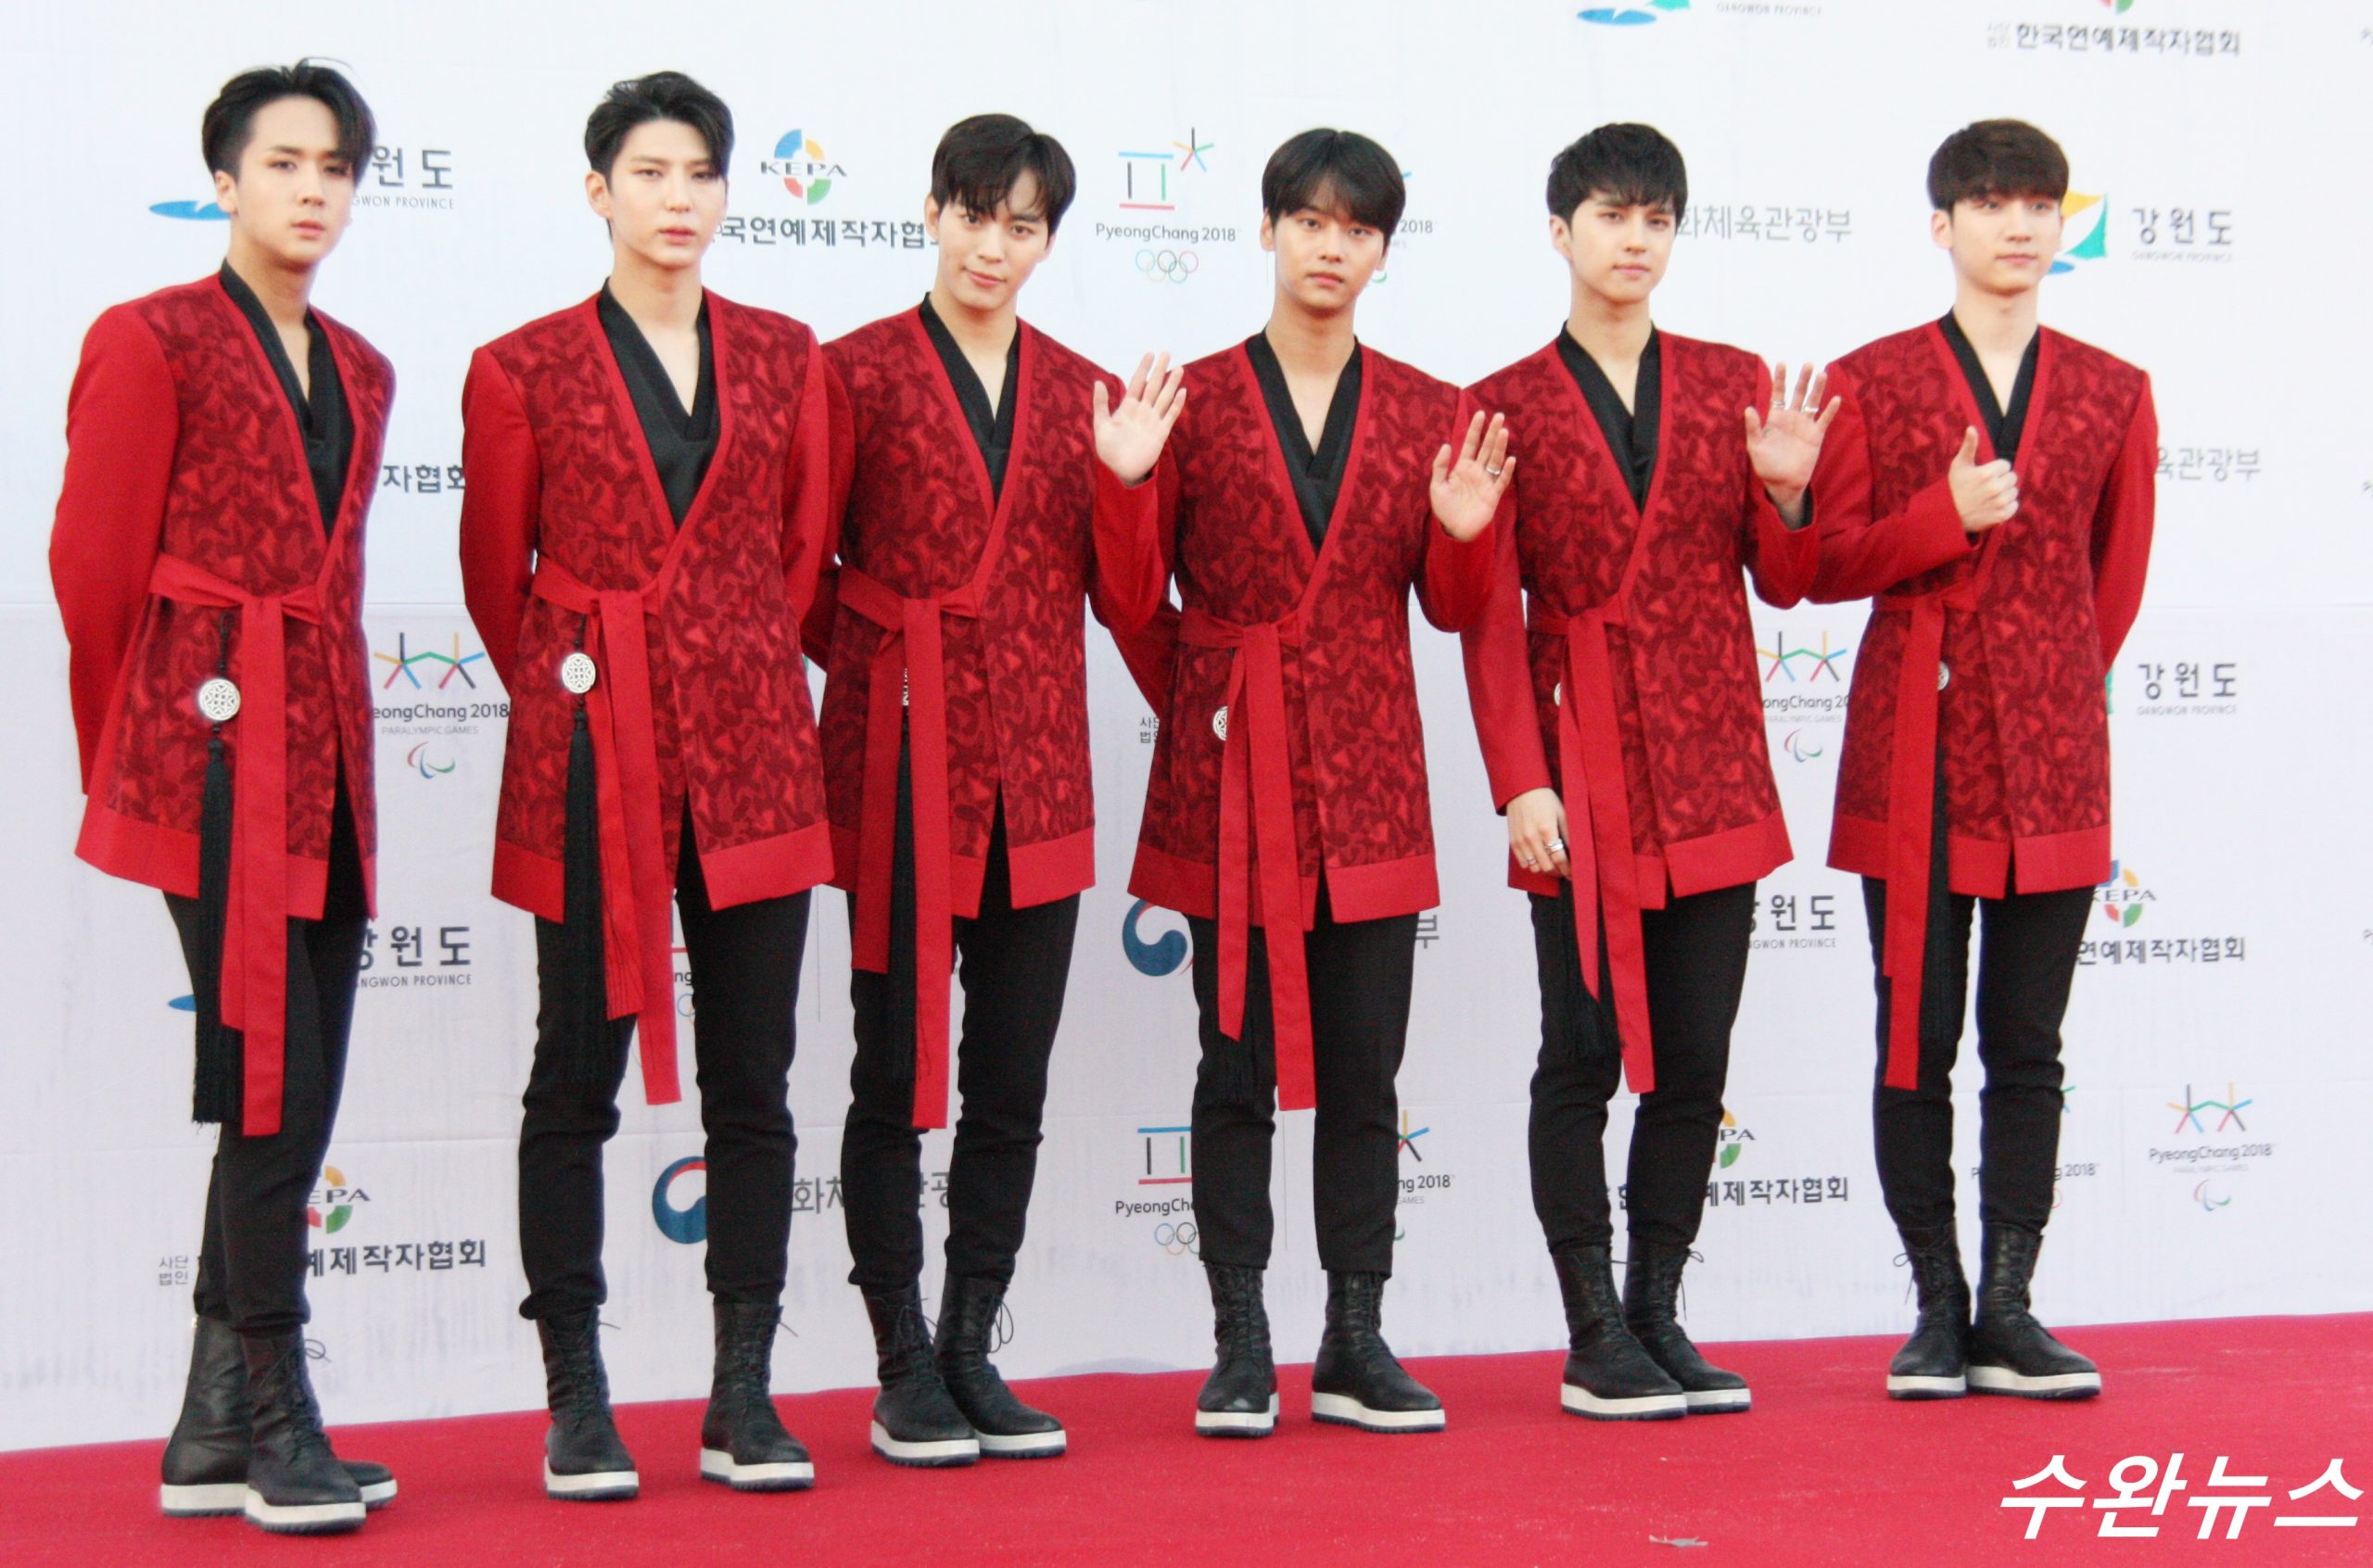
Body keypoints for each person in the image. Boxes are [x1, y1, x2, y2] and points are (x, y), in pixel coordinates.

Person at [1095, 128, 1510, 1438]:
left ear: (1385, 249)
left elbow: (1456, 611)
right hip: (1230, 782)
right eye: (1311, 222)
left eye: (1358, 229)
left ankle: (1355, 1339)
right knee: (1232, 1067)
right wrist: (1128, 485)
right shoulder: (1193, 399)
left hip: (1373, 776)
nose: (1332, 249)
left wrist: (1461, 539)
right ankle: (1239, 1343)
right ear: (1268, 229)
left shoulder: (1436, 409)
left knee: (1365, 1074)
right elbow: (1128, 597)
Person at [459, 70, 835, 1498]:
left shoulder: (787, 356)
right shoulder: (521, 366)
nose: (678, 199)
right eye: (650, 173)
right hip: (588, 746)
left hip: (755, 750)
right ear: (598, 190)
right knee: (575, 1073)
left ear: (727, 193)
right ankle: (577, 1394)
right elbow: (498, 581)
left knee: (756, 1080)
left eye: (700, 174)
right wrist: (601, 680)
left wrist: (719, 649)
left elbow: (795, 557)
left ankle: (744, 1392)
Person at [50, 60, 396, 1536]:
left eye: (335, 168)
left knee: (300, 1093)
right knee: (271, 1086)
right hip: (207, 758)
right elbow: (93, 572)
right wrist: (137, 756)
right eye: (284, 163)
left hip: (328, 760)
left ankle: (207, 1427)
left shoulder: (365, 368)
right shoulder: (151, 338)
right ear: (225, 180)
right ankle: (273, 1414)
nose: (311, 190)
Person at [1460, 123, 1836, 1421]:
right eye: (1612, 215)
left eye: (1657, 218)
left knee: (1694, 1063)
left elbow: (1785, 583)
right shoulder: (1500, 404)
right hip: (1575, 770)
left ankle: (1661, 1311)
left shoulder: (1735, 384)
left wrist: (1786, 495)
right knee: (1580, 1055)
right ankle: (1593, 1331)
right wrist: (1521, 782)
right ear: (1559, 231)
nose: (1635, 240)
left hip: (1714, 763)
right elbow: (1485, 614)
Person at [810, 113, 1162, 1467]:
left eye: (1022, 225)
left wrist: (1127, 483)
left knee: (1010, 1082)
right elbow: (798, 576)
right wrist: (886, 669)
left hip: (1042, 773)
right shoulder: (852, 373)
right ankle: (900, 1358)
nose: (993, 247)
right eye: (973, 216)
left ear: (1048, 241)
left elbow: (1128, 598)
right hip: (899, 765)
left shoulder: (1089, 394)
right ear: (931, 215)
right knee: (893, 1072)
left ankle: (971, 1346)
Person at [1806, 119, 2155, 1402]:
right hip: (1911, 744)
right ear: (1940, 225)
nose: (2017, 225)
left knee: (2028, 1042)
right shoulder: (1871, 379)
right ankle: (1936, 1308)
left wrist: (2042, 673)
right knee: (1913, 1037)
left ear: (2062, 225)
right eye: (1991, 203)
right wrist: (1937, 520)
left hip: (2055, 750)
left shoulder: (2115, 389)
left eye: (2039, 205)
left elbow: (2112, 586)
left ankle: (2010, 1304)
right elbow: (1824, 564)